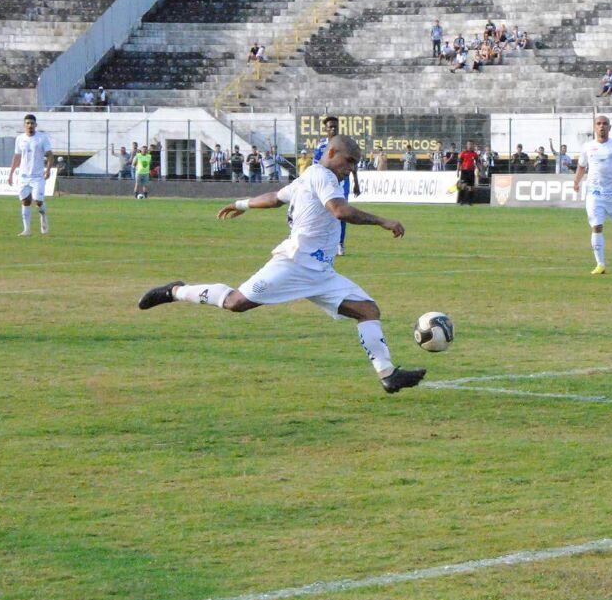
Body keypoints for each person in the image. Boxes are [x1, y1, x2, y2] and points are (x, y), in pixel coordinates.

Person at [137, 135, 425, 394]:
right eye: (349, 161)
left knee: (368, 310)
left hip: (321, 273)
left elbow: (275, 198)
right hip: (293, 265)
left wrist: (241, 204)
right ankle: (174, 291)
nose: (351, 168)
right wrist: (383, 221)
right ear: (332, 152)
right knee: (237, 303)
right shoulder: (322, 175)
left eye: (355, 164)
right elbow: (339, 211)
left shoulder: (310, 177)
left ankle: (388, 375)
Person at [574, 116, 612, 275]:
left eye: (605, 124)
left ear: (610, 127)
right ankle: (600, 264)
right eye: (598, 124)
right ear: (594, 127)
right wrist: (576, 182)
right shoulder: (587, 147)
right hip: (594, 193)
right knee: (596, 226)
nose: (602, 127)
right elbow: (581, 166)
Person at [318, 116, 361, 257]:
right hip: (325, 185)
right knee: (323, 214)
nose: (333, 129)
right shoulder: (321, 146)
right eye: (330, 127)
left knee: (342, 213)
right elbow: (316, 166)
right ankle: (323, 243)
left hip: (343, 183)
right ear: (325, 129)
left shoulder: (344, 145)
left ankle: (340, 244)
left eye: (335, 127)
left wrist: (356, 182)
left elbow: (352, 164)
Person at [7, 113, 53, 237]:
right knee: (25, 201)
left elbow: (49, 155)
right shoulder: (20, 139)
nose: (30, 125)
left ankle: (43, 215)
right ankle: (26, 230)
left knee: (38, 200)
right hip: (23, 176)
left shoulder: (42, 138)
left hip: (38, 176)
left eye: (32, 123)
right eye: (27, 123)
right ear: (24, 125)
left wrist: (48, 170)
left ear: (35, 125)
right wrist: (11, 173)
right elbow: (17, 156)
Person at [456, 140, 479, 205]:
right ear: (467, 145)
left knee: (471, 187)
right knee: (463, 186)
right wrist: (458, 171)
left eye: (471, 144)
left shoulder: (475, 154)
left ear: (473, 145)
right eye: (469, 144)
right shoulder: (463, 153)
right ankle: (461, 200)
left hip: (471, 171)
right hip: (464, 171)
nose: (470, 146)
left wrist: (479, 170)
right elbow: (459, 162)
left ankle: (470, 201)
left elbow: (477, 163)